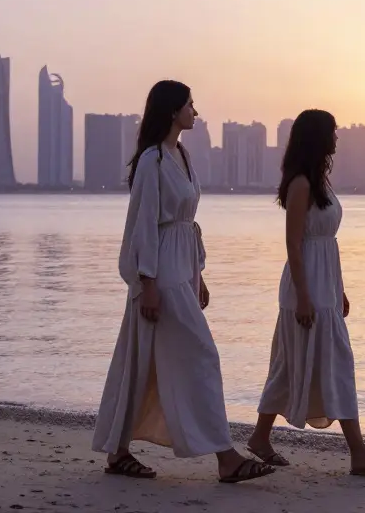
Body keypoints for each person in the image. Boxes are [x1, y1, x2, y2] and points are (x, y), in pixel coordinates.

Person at [91, 80, 275, 485]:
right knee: (201, 356)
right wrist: (148, 282)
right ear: (173, 111)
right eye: (191, 104)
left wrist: (200, 273)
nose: (196, 110)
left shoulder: (182, 156)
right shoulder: (152, 161)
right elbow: (144, 223)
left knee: (144, 362)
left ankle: (118, 453)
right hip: (162, 273)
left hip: (183, 269)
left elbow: (187, 224)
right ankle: (226, 457)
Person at [246, 109, 365, 476]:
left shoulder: (321, 181)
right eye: (332, 131)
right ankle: (358, 453)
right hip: (306, 289)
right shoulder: (301, 184)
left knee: (313, 365)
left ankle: (260, 438)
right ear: (318, 137)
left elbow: (329, 243)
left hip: (326, 286)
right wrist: (303, 296)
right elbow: (293, 244)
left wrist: (340, 288)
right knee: (300, 365)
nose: (337, 137)